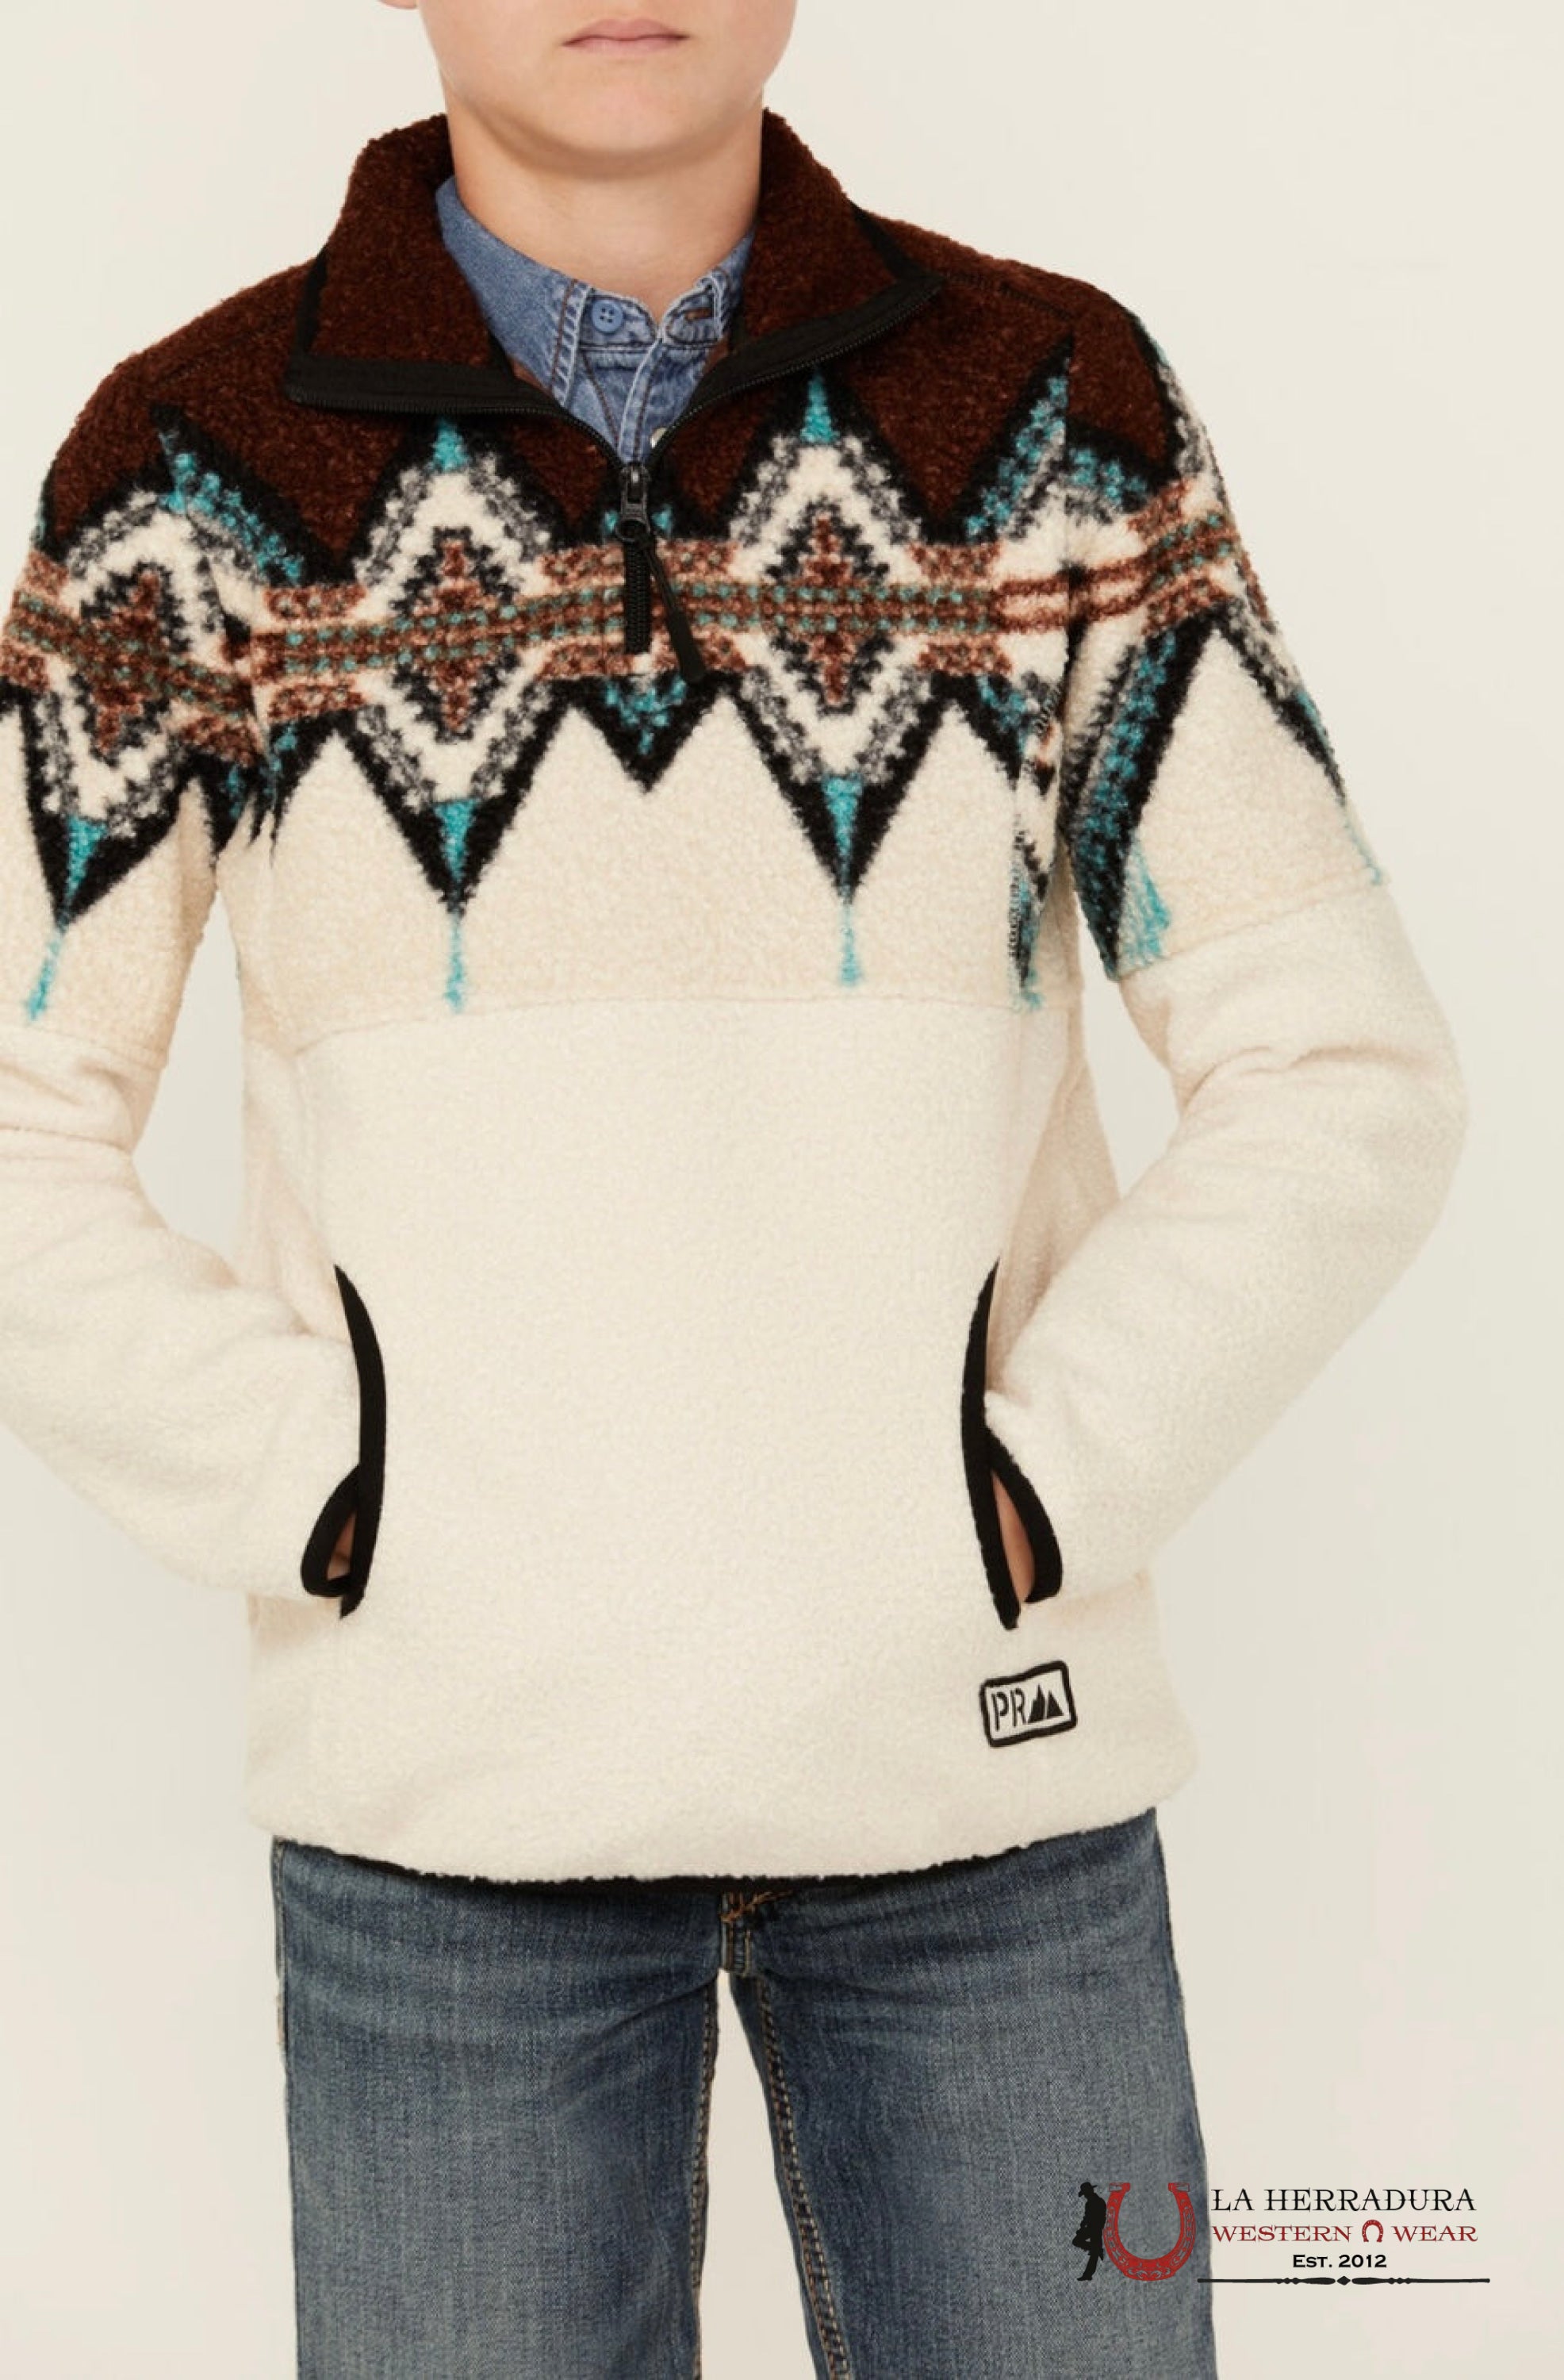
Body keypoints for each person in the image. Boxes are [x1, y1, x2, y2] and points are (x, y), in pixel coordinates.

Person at [0, 3, 1468, 2372]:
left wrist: (1029, 1492)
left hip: (989, 1792)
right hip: (447, 1820)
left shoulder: (1050, 410)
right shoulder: (187, 471)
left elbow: (1341, 1065)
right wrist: (331, 1503)